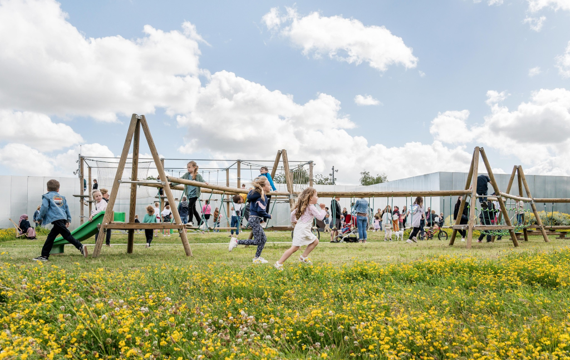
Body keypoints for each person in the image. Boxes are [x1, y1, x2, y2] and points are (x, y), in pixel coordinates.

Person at [33, 179, 87, 261]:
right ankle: (44, 256)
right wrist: (68, 219)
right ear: (58, 189)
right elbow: (66, 208)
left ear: (47, 189)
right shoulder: (62, 198)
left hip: (56, 219)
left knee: (66, 235)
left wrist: (39, 218)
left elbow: (44, 207)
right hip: (62, 218)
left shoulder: (47, 196)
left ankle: (80, 246)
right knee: (51, 237)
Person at [274, 187, 325, 270]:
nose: (317, 197)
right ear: (311, 198)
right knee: (294, 248)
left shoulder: (304, 206)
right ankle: (279, 263)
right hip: (302, 230)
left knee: (315, 241)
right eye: (316, 195)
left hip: (303, 229)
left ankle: (303, 257)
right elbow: (320, 217)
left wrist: (294, 221)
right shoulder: (311, 207)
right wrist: (323, 209)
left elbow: (292, 214)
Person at [228, 177, 272, 263]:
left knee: (263, 239)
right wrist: (268, 215)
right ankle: (236, 241)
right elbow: (260, 211)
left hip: (253, 219)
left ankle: (257, 258)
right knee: (257, 241)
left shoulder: (257, 196)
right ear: (263, 187)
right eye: (269, 185)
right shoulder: (262, 197)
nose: (270, 186)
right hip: (255, 219)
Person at [171, 161, 208, 226]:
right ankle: (201, 222)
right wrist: (172, 184)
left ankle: (190, 221)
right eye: (187, 167)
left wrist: (205, 183)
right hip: (189, 195)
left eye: (189, 167)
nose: (188, 169)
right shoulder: (186, 175)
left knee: (190, 206)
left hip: (195, 194)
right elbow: (180, 180)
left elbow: (202, 181)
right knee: (193, 209)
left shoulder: (198, 175)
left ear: (194, 167)